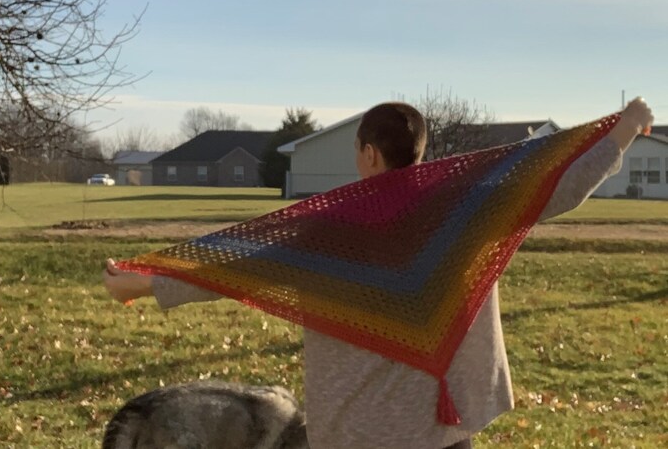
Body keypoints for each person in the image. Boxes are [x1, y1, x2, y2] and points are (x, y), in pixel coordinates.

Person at [103, 97, 653, 449]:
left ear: (367, 152)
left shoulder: (324, 227)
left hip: (352, 430)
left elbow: (231, 263)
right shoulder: (463, 211)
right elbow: (557, 189)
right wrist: (621, 134)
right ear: (420, 152)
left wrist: (139, 281)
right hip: (441, 429)